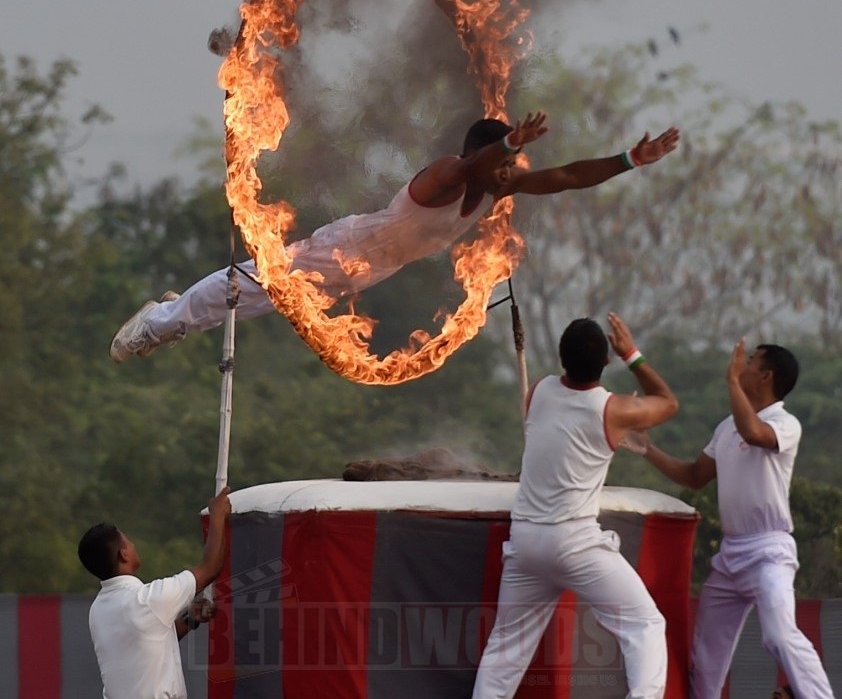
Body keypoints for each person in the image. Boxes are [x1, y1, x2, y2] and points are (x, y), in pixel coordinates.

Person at [111, 114, 680, 361]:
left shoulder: (496, 187)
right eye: (507, 161)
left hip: (375, 269)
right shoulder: (447, 174)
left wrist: (632, 158)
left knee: (261, 306)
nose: (513, 174)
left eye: (515, 164)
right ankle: (159, 324)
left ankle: (176, 314)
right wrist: (505, 147)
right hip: (346, 248)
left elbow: (569, 176)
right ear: (483, 155)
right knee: (253, 287)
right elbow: (480, 160)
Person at [471, 313, 680, 699]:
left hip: (526, 542)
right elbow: (668, 404)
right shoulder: (614, 410)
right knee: (644, 623)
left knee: (504, 653)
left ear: (561, 358)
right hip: (574, 543)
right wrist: (631, 354)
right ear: (605, 362)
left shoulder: (539, 390)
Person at [625, 339, 834, 699]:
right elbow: (694, 476)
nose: (743, 365)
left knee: (780, 636)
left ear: (765, 376)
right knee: (706, 660)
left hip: (770, 550)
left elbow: (755, 434)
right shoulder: (726, 426)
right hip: (731, 556)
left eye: (751, 362)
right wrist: (647, 449)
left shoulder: (785, 423)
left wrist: (731, 382)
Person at [78, 486, 231, 699]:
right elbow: (210, 568)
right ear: (124, 555)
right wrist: (218, 517)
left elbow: (150, 643)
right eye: (128, 541)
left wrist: (189, 620)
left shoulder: (98, 610)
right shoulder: (146, 600)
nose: (133, 545)